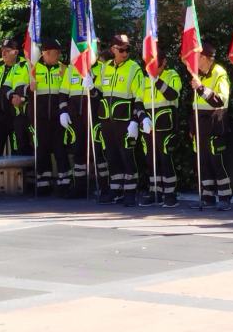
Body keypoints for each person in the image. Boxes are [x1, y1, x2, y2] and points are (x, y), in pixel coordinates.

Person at [88, 34, 146, 206]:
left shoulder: (134, 68)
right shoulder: (106, 67)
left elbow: (139, 97)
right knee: (111, 156)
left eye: (127, 49)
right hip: (107, 120)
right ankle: (115, 190)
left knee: (127, 156)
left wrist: (136, 120)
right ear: (113, 49)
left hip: (125, 120)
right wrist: (90, 87)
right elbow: (99, 94)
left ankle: (130, 191)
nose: (125, 52)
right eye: (121, 49)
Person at [15, 38, 70, 193]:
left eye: (59, 53)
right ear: (45, 53)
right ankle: (43, 184)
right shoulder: (32, 68)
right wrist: (29, 88)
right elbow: (18, 88)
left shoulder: (63, 69)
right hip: (38, 117)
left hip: (58, 116)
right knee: (41, 149)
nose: (58, 56)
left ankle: (64, 184)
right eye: (55, 53)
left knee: (60, 149)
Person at [59, 55, 110, 199]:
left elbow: (102, 95)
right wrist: (63, 111)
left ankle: (104, 187)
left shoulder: (102, 68)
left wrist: (92, 87)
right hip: (76, 118)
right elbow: (63, 93)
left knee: (99, 152)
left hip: (95, 117)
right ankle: (80, 187)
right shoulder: (71, 68)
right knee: (78, 151)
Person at [190, 42, 232, 211]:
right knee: (203, 163)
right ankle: (207, 196)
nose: (194, 61)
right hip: (200, 125)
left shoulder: (219, 73)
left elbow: (220, 99)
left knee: (217, 162)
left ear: (204, 58)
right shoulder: (198, 74)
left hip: (215, 125)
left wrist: (201, 88)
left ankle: (225, 197)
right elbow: (194, 104)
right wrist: (192, 128)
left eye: (197, 57)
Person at [141, 50, 182, 207]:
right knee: (150, 160)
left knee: (166, 159)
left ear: (164, 62)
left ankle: (170, 194)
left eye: (155, 62)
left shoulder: (172, 75)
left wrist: (157, 81)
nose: (152, 66)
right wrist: (142, 118)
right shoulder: (144, 79)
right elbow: (138, 100)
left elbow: (173, 95)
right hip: (148, 124)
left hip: (166, 124)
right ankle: (154, 192)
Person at [0, 38, 29, 156]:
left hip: (16, 114)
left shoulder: (24, 65)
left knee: (18, 147)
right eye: (2, 50)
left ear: (16, 52)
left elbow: (28, 87)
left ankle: (24, 172)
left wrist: (22, 98)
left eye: (7, 50)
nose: (3, 53)